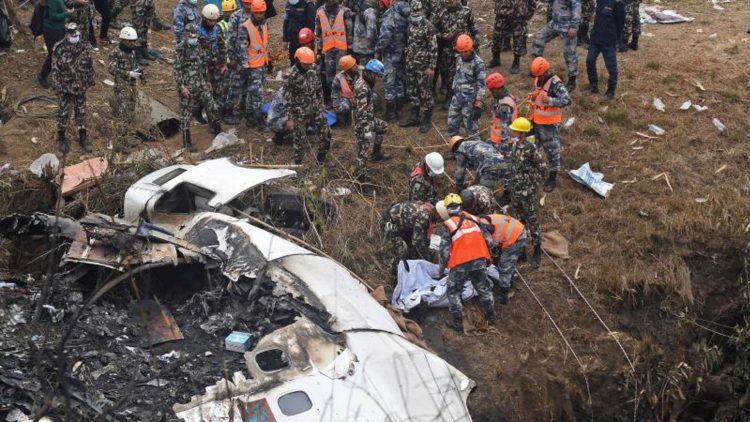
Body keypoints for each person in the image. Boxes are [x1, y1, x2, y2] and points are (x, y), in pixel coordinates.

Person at [437, 193, 496, 332]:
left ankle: (457, 323)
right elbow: (490, 241)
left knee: (453, 292)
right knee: (484, 288)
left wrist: (441, 270)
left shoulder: (448, 225)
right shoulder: (475, 219)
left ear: (446, 209)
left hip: (461, 263)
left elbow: (444, 253)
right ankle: (492, 318)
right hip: (480, 259)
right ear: (461, 205)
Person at [174, 23, 223, 152]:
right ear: (186, 34)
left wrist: (207, 81)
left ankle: (218, 131)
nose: (193, 37)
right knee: (186, 114)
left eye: (195, 35)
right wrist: (181, 87)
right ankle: (187, 142)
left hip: (200, 83)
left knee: (211, 105)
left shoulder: (197, 46)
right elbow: (176, 70)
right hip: (188, 86)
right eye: (191, 35)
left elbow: (202, 65)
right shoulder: (180, 48)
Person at [505, 117, 546, 268]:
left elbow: (542, 168)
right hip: (516, 189)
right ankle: (521, 249)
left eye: (514, 129)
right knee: (519, 219)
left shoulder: (530, 148)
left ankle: (537, 249)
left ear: (521, 133)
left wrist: (532, 182)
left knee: (532, 219)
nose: (512, 131)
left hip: (527, 191)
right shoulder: (515, 145)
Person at [51, 23, 96, 154]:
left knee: (81, 112)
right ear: (66, 34)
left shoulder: (82, 46)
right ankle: (61, 137)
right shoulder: (59, 48)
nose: (75, 36)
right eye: (72, 34)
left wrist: (90, 80)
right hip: (65, 87)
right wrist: (57, 87)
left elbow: (89, 63)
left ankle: (83, 137)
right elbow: (55, 69)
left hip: (80, 86)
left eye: (76, 33)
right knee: (64, 112)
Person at [528, 57, 570, 192]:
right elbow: (540, 95)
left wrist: (550, 100)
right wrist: (535, 96)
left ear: (545, 72)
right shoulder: (537, 79)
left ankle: (552, 176)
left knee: (552, 151)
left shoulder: (556, 83)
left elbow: (567, 100)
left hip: (549, 125)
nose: (537, 78)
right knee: (533, 147)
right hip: (536, 122)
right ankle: (533, 171)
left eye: (539, 75)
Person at [284, 47, 331, 165]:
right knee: (299, 141)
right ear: (299, 61)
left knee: (326, 134)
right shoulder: (291, 75)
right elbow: (286, 98)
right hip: (299, 112)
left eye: (311, 63)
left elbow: (318, 86)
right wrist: (289, 118)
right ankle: (298, 164)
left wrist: (321, 102)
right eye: (306, 64)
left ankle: (321, 160)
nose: (309, 66)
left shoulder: (313, 68)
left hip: (315, 108)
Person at [433, 0, 478, 109]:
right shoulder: (441, 12)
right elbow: (433, 30)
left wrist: (475, 45)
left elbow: (474, 29)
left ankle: (468, 98)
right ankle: (449, 95)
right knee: (448, 73)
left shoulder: (466, 11)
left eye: (451, 1)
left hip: (464, 50)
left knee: (465, 73)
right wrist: (442, 36)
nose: (448, 2)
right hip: (447, 49)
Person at [400, 0, 437, 134]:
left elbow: (433, 48)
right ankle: (414, 117)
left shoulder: (428, 26)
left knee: (425, 92)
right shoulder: (409, 24)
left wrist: (431, 67)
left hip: (423, 66)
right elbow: (408, 42)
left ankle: (426, 119)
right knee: (412, 90)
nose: (415, 15)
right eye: (413, 13)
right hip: (410, 64)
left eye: (417, 13)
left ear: (422, 11)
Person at [233, 0, 270, 127]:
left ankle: (250, 115)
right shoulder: (245, 27)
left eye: (261, 13)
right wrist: (245, 66)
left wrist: (268, 60)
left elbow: (264, 44)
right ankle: (257, 117)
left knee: (254, 91)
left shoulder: (264, 24)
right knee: (257, 93)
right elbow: (241, 48)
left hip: (262, 63)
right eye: (257, 13)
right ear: (253, 12)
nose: (259, 15)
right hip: (252, 66)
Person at [531, 0, 581, 91]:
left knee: (569, 53)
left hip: (567, 26)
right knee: (539, 37)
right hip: (555, 23)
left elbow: (577, 9)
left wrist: (574, 27)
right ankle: (538, 67)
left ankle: (572, 80)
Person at [108, 26, 143, 154]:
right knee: (123, 115)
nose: (133, 44)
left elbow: (135, 65)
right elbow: (111, 69)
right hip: (122, 87)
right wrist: (128, 73)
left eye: (134, 41)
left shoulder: (132, 52)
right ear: (123, 40)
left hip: (132, 87)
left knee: (130, 114)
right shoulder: (115, 53)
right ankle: (119, 143)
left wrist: (139, 73)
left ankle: (126, 138)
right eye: (130, 41)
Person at [353, 59, 388, 185]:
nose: (380, 79)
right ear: (373, 73)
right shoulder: (362, 87)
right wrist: (366, 129)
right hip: (362, 124)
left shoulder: (368, 81)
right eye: (379, 76)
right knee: (362, 152)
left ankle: (376, 154)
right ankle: (360, 182)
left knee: (383, 126)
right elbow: (360, 111)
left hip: (369, 119)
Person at [478, 212, 526, 304]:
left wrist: (486, 260)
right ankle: (509, 280)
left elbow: (490, 245)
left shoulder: (484, 229)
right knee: (499, 260)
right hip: (514, 230)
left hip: (516, 237)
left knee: (505, 265)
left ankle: (504, 294)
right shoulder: (480, 221)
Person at [382, 201, 434, 283]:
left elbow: (421, 235)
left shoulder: (426, 211)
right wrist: (425, 253)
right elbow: (416, 240)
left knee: (412, 250)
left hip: (404, 224)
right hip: (392, 222)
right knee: (400, 251)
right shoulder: (424, 217)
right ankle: (395, 277)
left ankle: (410, 271)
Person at [374, 0, 409, 121]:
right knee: (399, 82)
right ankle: (399, 111)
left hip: (390, 54)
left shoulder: (390, 15)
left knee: (389, 83)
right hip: (402, 53)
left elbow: (385, 36)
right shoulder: (405, 15)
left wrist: (378, 50)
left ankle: (391, 114)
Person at [584, 0, 625, 101]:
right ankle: (593, 86)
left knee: (611, 67)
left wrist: (616, 38)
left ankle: (610, 91)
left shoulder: (617, 3)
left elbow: (621, 23)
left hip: (608, 41)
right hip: (595, 38)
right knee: (590, 60)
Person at [446, 35, 486, 138]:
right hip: (457, 98)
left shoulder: (478, 63)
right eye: (461, 52)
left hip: (470, 102)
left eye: (465, 52)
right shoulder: (459, 58)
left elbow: (481, 85)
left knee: (471, 130)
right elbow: (457, 75)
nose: (463, 54)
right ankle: (455, 147)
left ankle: (474, 149)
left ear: (471, 49)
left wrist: (478, 104)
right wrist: (453, 89)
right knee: (451, 124)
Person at [315, 0, 354, 103]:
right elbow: (317, 33)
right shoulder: (320, 12)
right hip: (328, 50)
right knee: (329, 76)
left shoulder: (345, 11)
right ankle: (334, 100)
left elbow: (350, 30)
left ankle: (344, 101)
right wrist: (318, 50)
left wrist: (350, 48)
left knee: (342, 75)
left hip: (342, 50)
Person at [222, 0, 253, 124]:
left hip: (252, 59)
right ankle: (227, 111)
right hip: (239, 58)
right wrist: (232, 58)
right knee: (235, 86)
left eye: (250, 4)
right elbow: (230, 39)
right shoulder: (236, 17)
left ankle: (243, 108)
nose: (248, 7)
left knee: (247, 85)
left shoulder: (256, 15)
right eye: (246, 4)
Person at [489, 0, 536, 74]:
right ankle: (496, 59)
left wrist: (528, 13)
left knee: (518, 39)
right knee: (496, 36)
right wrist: (498, 5)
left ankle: (516, 63)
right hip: (502, 13)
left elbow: (532, 2)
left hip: (518, 16)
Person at [198, 4, 228, 101]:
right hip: (201, 67)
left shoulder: (216, 29)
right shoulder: (197, 32)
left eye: (214, 21)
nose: (212, 23)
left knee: (218, 91)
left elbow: (222, 46)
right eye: (210, 21)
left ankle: (217, 111)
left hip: (215, 65)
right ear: (204, 18)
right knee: (203, 91)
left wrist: (224, 63)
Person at [36, 0, 68, 89]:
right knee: (53, 53)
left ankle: (58, 74)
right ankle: (42, 76)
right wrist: (67, 14)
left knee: (59, 52)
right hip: (52, 30)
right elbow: (53, 16)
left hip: (58, 29)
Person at [486, 72, 517, 155]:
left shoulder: (505, 105)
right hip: (497, 139)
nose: (490, 92)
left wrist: (504, 146)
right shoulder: (501, 98)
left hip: (503, 142)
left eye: (491, 90)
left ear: (497, 89)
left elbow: (505, 127)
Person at [330, 55, 359, 126]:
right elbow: (334, 92)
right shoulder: (339, 77)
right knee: (343, 107)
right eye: (353, 65)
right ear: (348, 69)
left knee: (374, 97)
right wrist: (336, 106)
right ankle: (345, 119)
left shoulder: (362, 73)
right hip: (347, 100)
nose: (356, 65)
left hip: (360, 97)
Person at [351, 0, 378, 65]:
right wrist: (378, 46)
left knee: (360, 71)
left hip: (357, 48)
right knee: (367, 72)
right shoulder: (369, 12)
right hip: (367, 50)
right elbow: (371, 33)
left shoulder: (360, 9)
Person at [131, 0, 156, 64]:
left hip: (148, 3)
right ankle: (138, 55)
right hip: (139, 3)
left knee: (145, 27)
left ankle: (144, 52)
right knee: (138, 28)